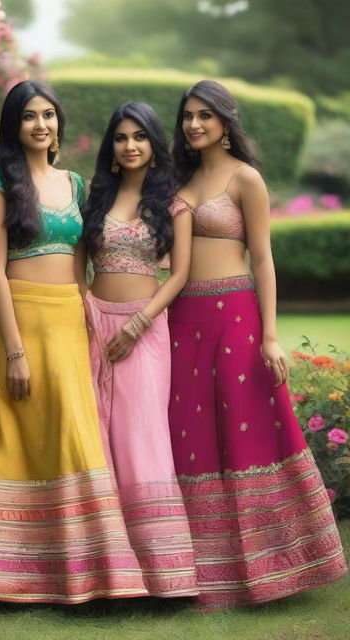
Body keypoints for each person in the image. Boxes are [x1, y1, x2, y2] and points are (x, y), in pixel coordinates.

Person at [0, 81, 148, 603]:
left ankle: (90, 571)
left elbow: (82, 256)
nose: (42, 125)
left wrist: (85, 305)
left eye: (49, 115)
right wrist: (13, 348)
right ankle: (13, 574)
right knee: (24, 436)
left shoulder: (75, 184)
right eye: (30, 116)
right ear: (14, 125)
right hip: (22, 319)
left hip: (69, 317)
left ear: (58, 123)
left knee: (76, 433)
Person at [168, 79, 347, 608]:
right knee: (189, 431)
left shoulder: (246, 179)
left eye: (204, 115)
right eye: (187, 116)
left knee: (246, 430)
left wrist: (270, 334)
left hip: (235, 318)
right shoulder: (181, 178)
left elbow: (263, 258)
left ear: (226, 120)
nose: (194, 125)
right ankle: (197, 570)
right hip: (183, 319)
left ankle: (276, 566)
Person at [82, 102, 197, 597]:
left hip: (144, 330)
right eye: (121, 137)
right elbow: (77, 262)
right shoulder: (95, 197)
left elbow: (182, 274)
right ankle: (107, 570)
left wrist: (139, 324)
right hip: (91, 322)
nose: (130, 146)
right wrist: (84, 310)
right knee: (97, 439)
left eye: (140, 137)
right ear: (111, 147)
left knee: (140, 438)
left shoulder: (173, 203)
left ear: (154, 145)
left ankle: (163, 574)